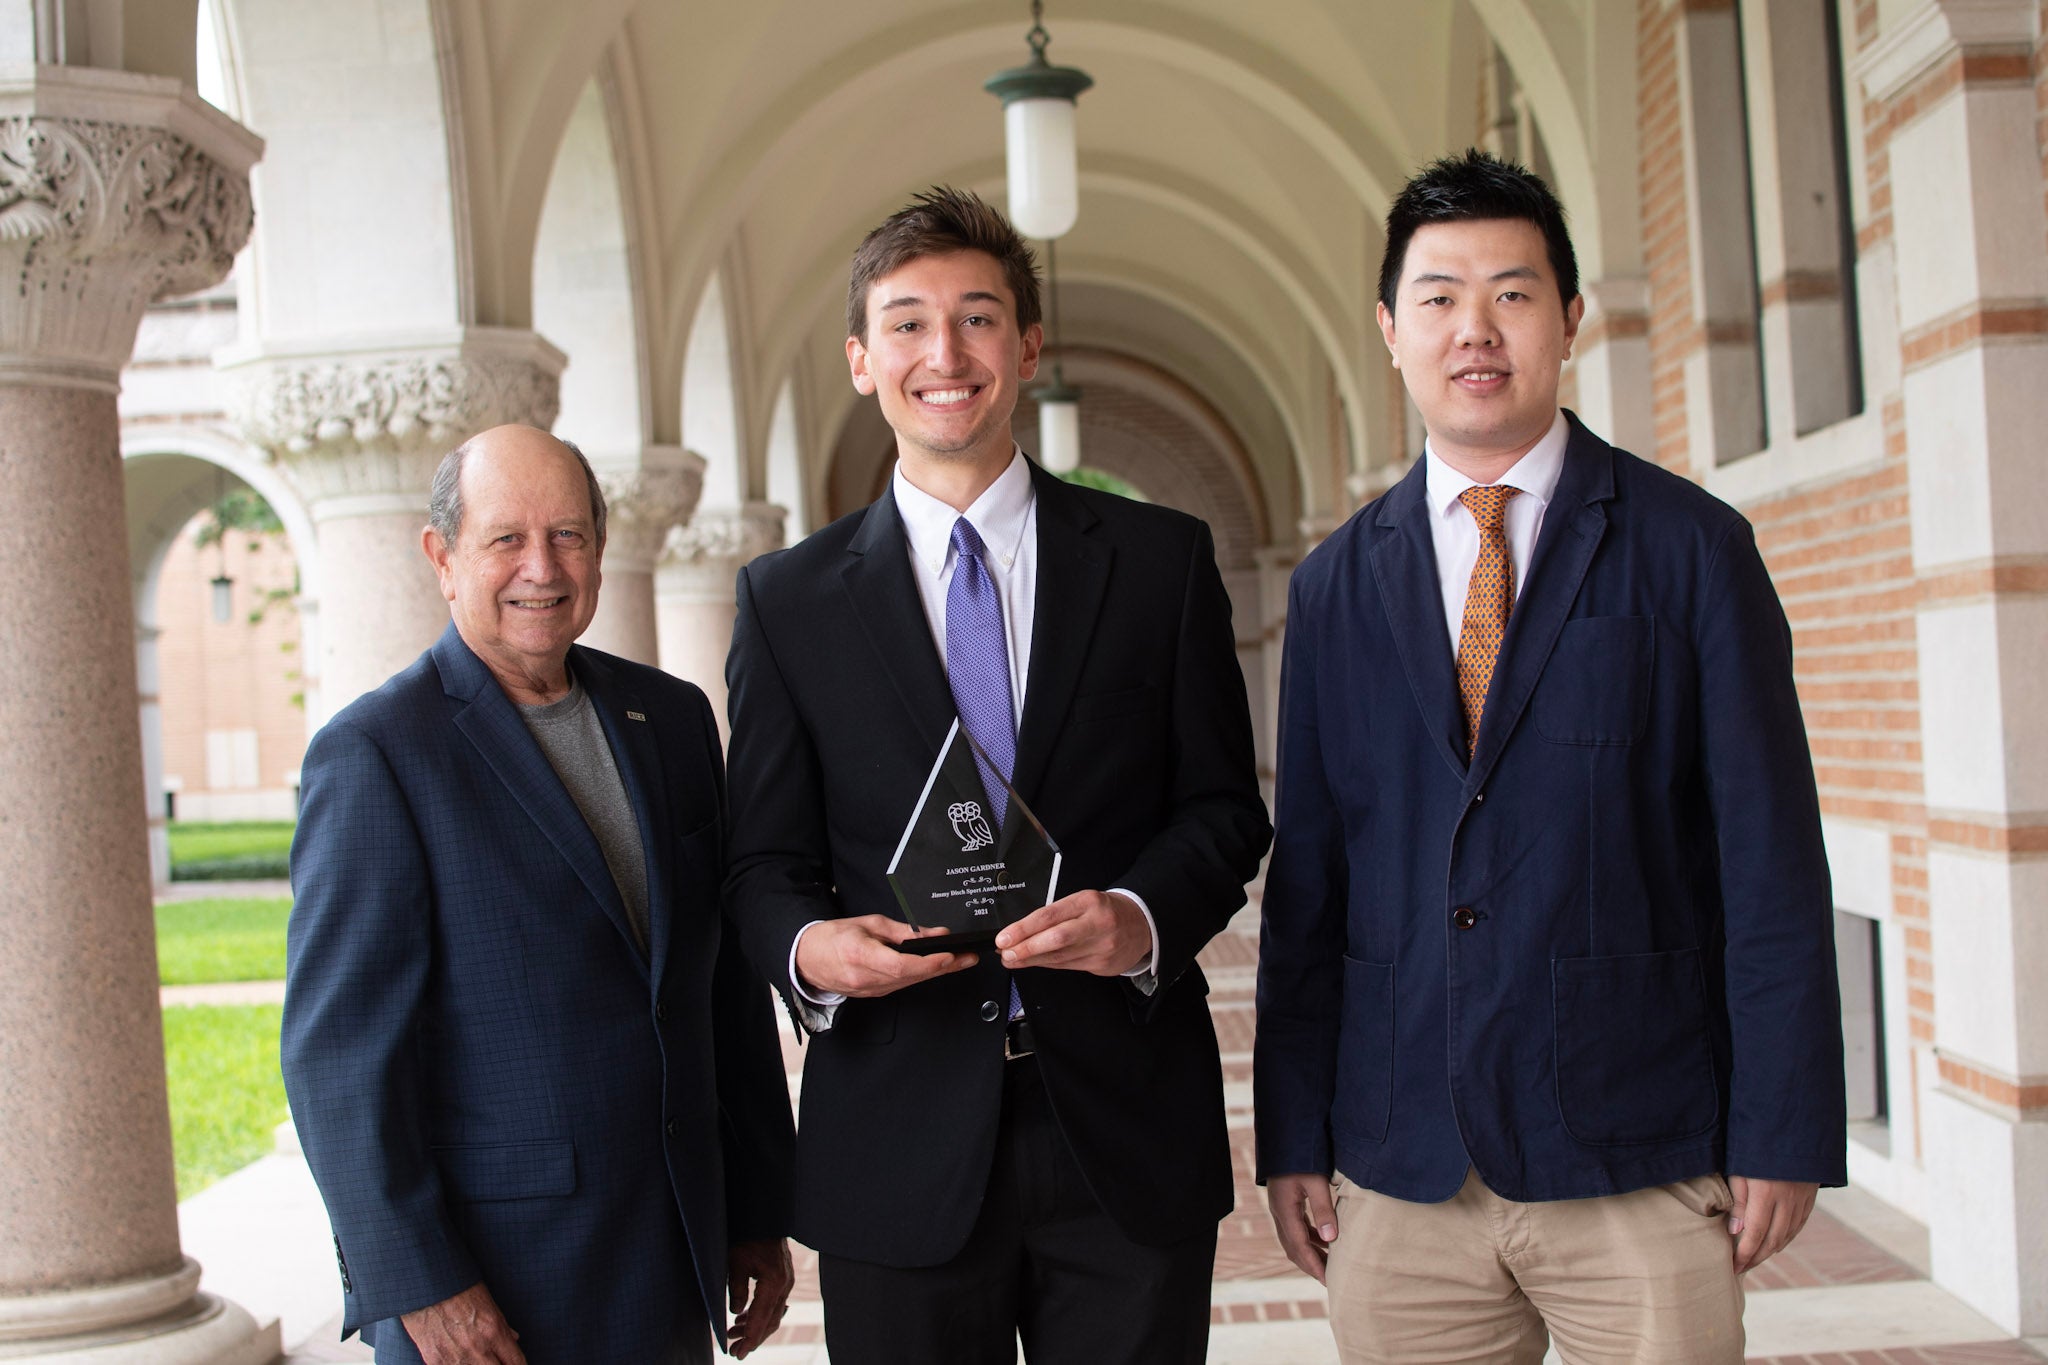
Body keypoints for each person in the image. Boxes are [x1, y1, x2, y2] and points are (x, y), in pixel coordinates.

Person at [1255, 150, 1846, 1363]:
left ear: (1569, 319)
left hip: (1636, 1145)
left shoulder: (1691, 550)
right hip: (1400, 1161)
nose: (1474, 329)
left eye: (1512, 293)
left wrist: (1780, 1128)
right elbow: (1308, 887)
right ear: (1388, 328)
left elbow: (1767, 860)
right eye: (1437, 298)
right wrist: (1289, 1137)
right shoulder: (1330, 589)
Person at [722, 186, 1271, 1365]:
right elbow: (762, 862)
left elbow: (1223, 811)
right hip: (895, 1137)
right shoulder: (787, 603)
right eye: (908, 323)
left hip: (1122, 1129)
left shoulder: (1158, 562)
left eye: (977, 318)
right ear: (864, 361)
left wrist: (1137, 918)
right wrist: (812, 952)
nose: (944, 353)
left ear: (1026, 345)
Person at [281, 424, 796, 1365]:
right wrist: (422, 1281)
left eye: (568, 535)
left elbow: (718, 989)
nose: (542, 567)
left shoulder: (674, 720)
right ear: (442, 557)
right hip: (492, 1291)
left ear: (601, 551)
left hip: (667, 1252)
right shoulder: (378, 755)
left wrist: (755, 1205)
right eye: (504, 539)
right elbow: (340, 1061)